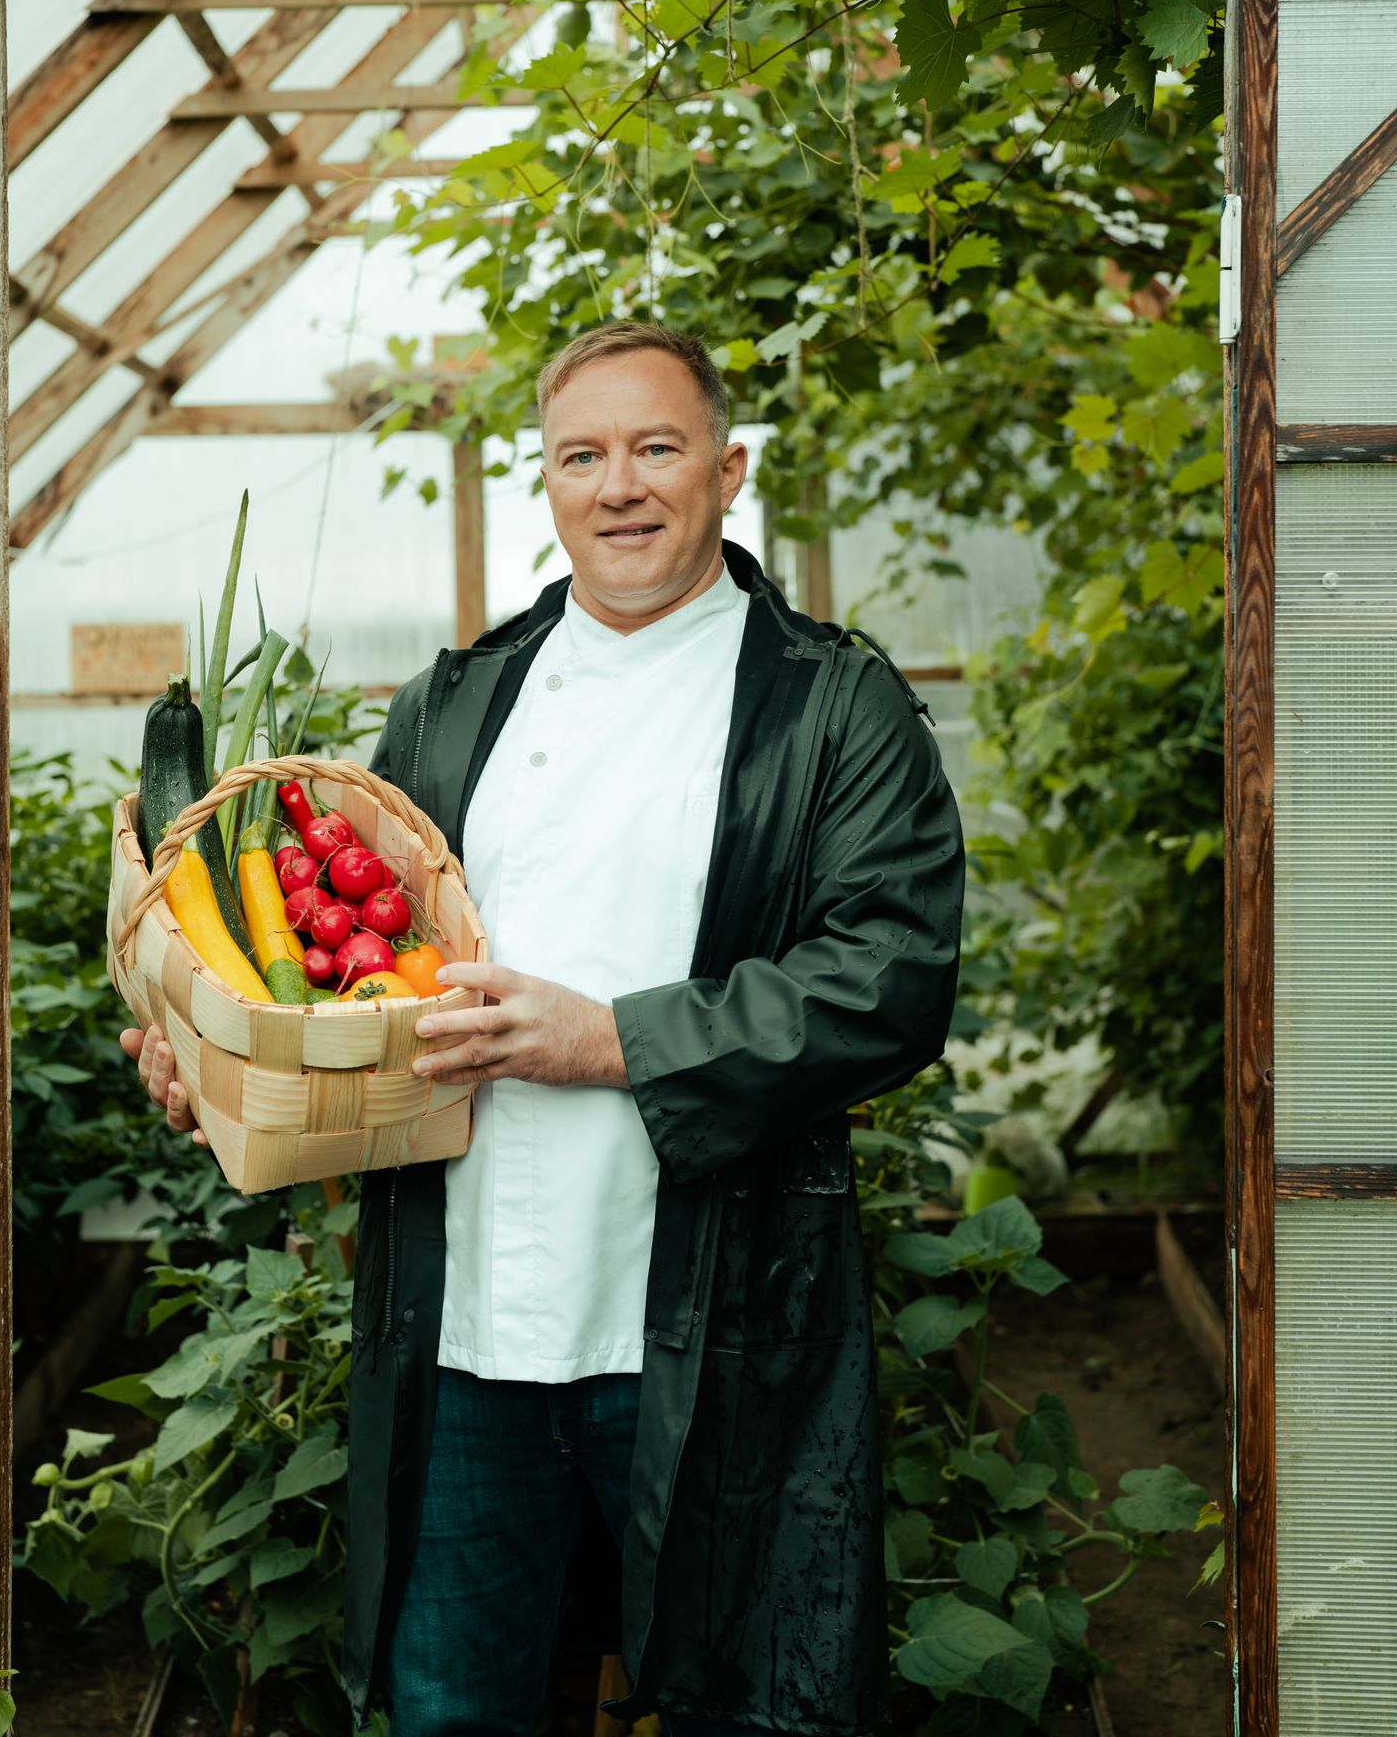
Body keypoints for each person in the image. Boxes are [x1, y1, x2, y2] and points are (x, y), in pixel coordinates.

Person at [123, 319, 965, 1737]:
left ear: (728, 468)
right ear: (548, 481)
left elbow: (890, 975)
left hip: (710, 1323)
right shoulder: (455, 705)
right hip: (463, 1334)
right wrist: (221, 1061)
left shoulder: (830, 705)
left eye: (656, 448)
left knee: (744, 1701)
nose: (619, 486)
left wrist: (611, 1040)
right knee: (458, 1711)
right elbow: (358, 977)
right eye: (584, 456)